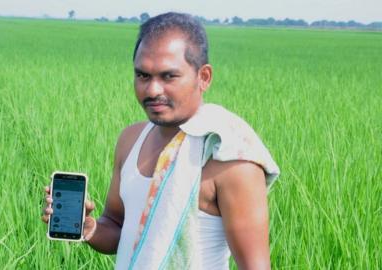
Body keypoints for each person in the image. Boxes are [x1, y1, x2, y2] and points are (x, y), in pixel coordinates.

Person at [42, 12, 279, 270]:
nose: (153, 90)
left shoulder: (232, 161)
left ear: (204, 77)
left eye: (169, 76)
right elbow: (118, 227)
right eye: (143, 75)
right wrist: (88, 227)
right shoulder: (130, 140)